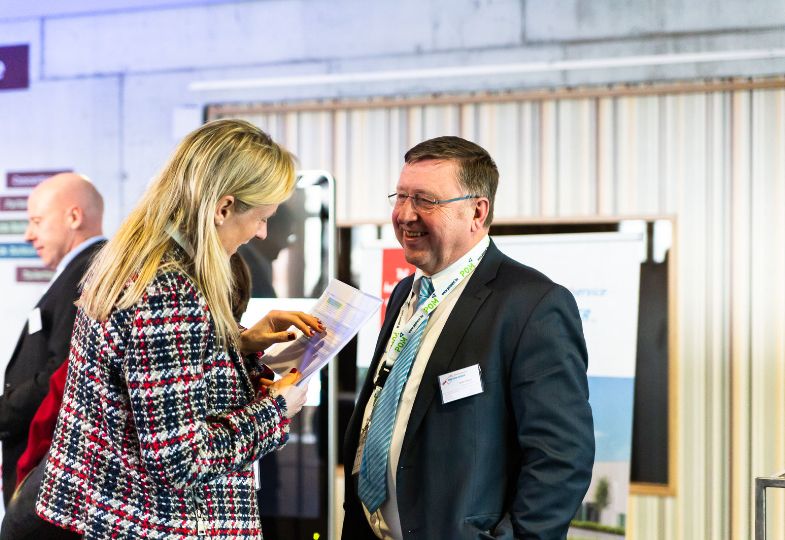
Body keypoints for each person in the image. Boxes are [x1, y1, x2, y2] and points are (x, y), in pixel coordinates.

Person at [35, 119, 325, 539]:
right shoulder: (168, 291)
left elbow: (144, 371)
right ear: (223, 208)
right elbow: (183, 459)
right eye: (262, 217)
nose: (262, 231)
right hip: (163, 522)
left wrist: (236, 343)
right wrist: (277, 408)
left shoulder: (147, 264)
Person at [342, 136, 595, 540]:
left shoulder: (533, 305)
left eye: (425, 200)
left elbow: (561, 458)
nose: (405, 214)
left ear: (478, 211)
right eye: (401, 196)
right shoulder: (406, 294)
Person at [0, 172, 105, 504]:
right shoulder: (79, 271)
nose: (29, 234)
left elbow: (64, 373)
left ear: (73, 217)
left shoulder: (90, 273)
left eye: (37, 221)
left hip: (52, 479)